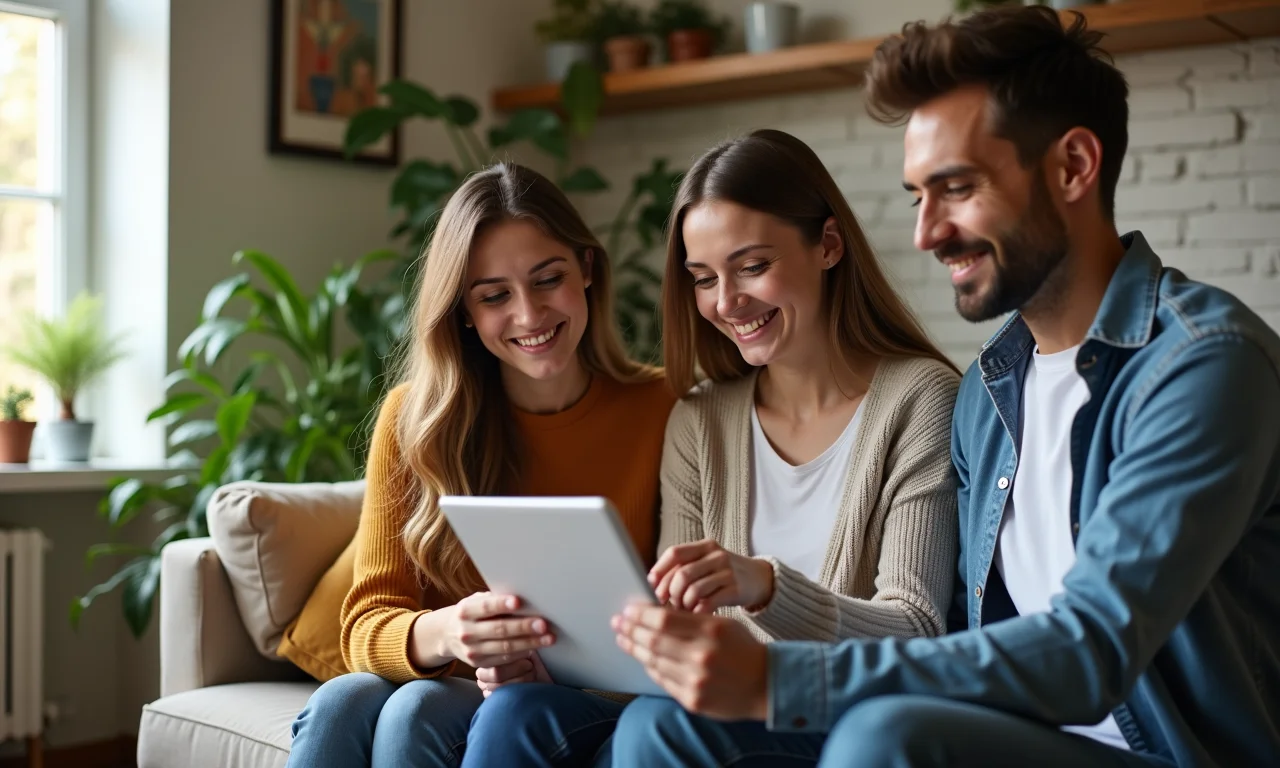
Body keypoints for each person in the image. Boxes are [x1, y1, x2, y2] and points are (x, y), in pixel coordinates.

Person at [608, 6, 1280, 767]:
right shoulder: (993, 390)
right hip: (1017, 737)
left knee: (884, 737)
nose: (926, 233)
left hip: (1170, 753)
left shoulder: (1202, 367)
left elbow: (1089, 649)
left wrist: (781, 676)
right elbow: (959, 635)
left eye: (956, 188)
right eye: (917, 197)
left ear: (1072, 167)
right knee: (665, 727)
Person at [465, 128, 962, 766]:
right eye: (703, 279)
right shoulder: (700, 420)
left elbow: (918, 629)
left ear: (828, 245)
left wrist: (765, 586)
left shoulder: (919, 399)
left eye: (752, 267)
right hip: (693, 708)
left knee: (658, 727)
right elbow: (674, 635)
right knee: (517, 712)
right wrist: (557, 671)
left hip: (831, 713)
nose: (727, 303)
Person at [284, 163, 676, 768]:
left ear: (588, 270)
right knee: (343, 700)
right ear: (464, 310)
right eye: (494, 296)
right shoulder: (415, 418)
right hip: (459, 682)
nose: (529, 315)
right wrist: (451, 632)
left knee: (414, 712)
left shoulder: (666, 407)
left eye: (548, 279)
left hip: (583, 702)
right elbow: (364, 625)